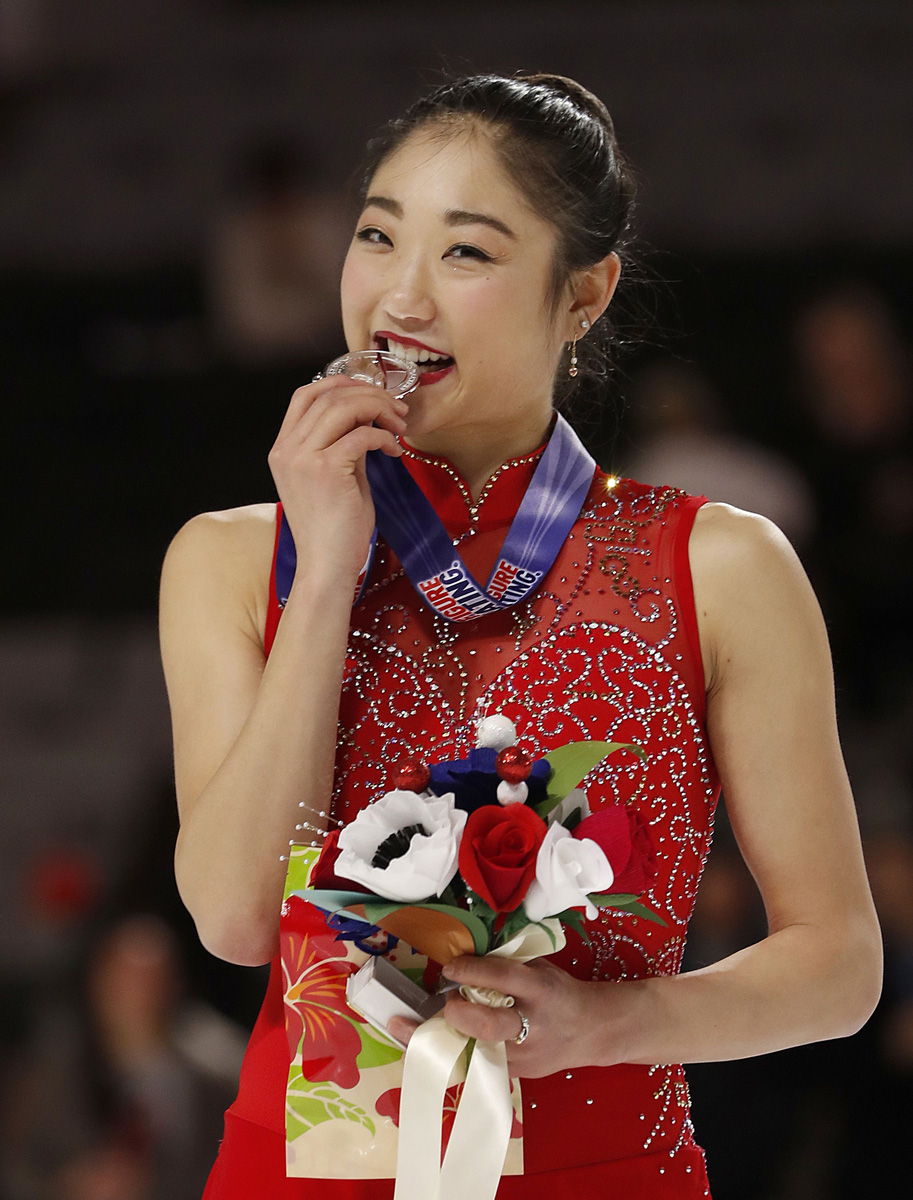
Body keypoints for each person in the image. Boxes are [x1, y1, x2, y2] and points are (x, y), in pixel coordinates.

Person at [158, 74, 883, 1198]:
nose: (399, 296)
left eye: (466, 253)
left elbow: (838, 968)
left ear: (584, 292)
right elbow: (238, 916)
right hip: (302, 1171)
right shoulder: (235, 560)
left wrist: (609, 1023)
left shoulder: (720, 565)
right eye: (376, 235)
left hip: (606, 1169)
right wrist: (329, 567)